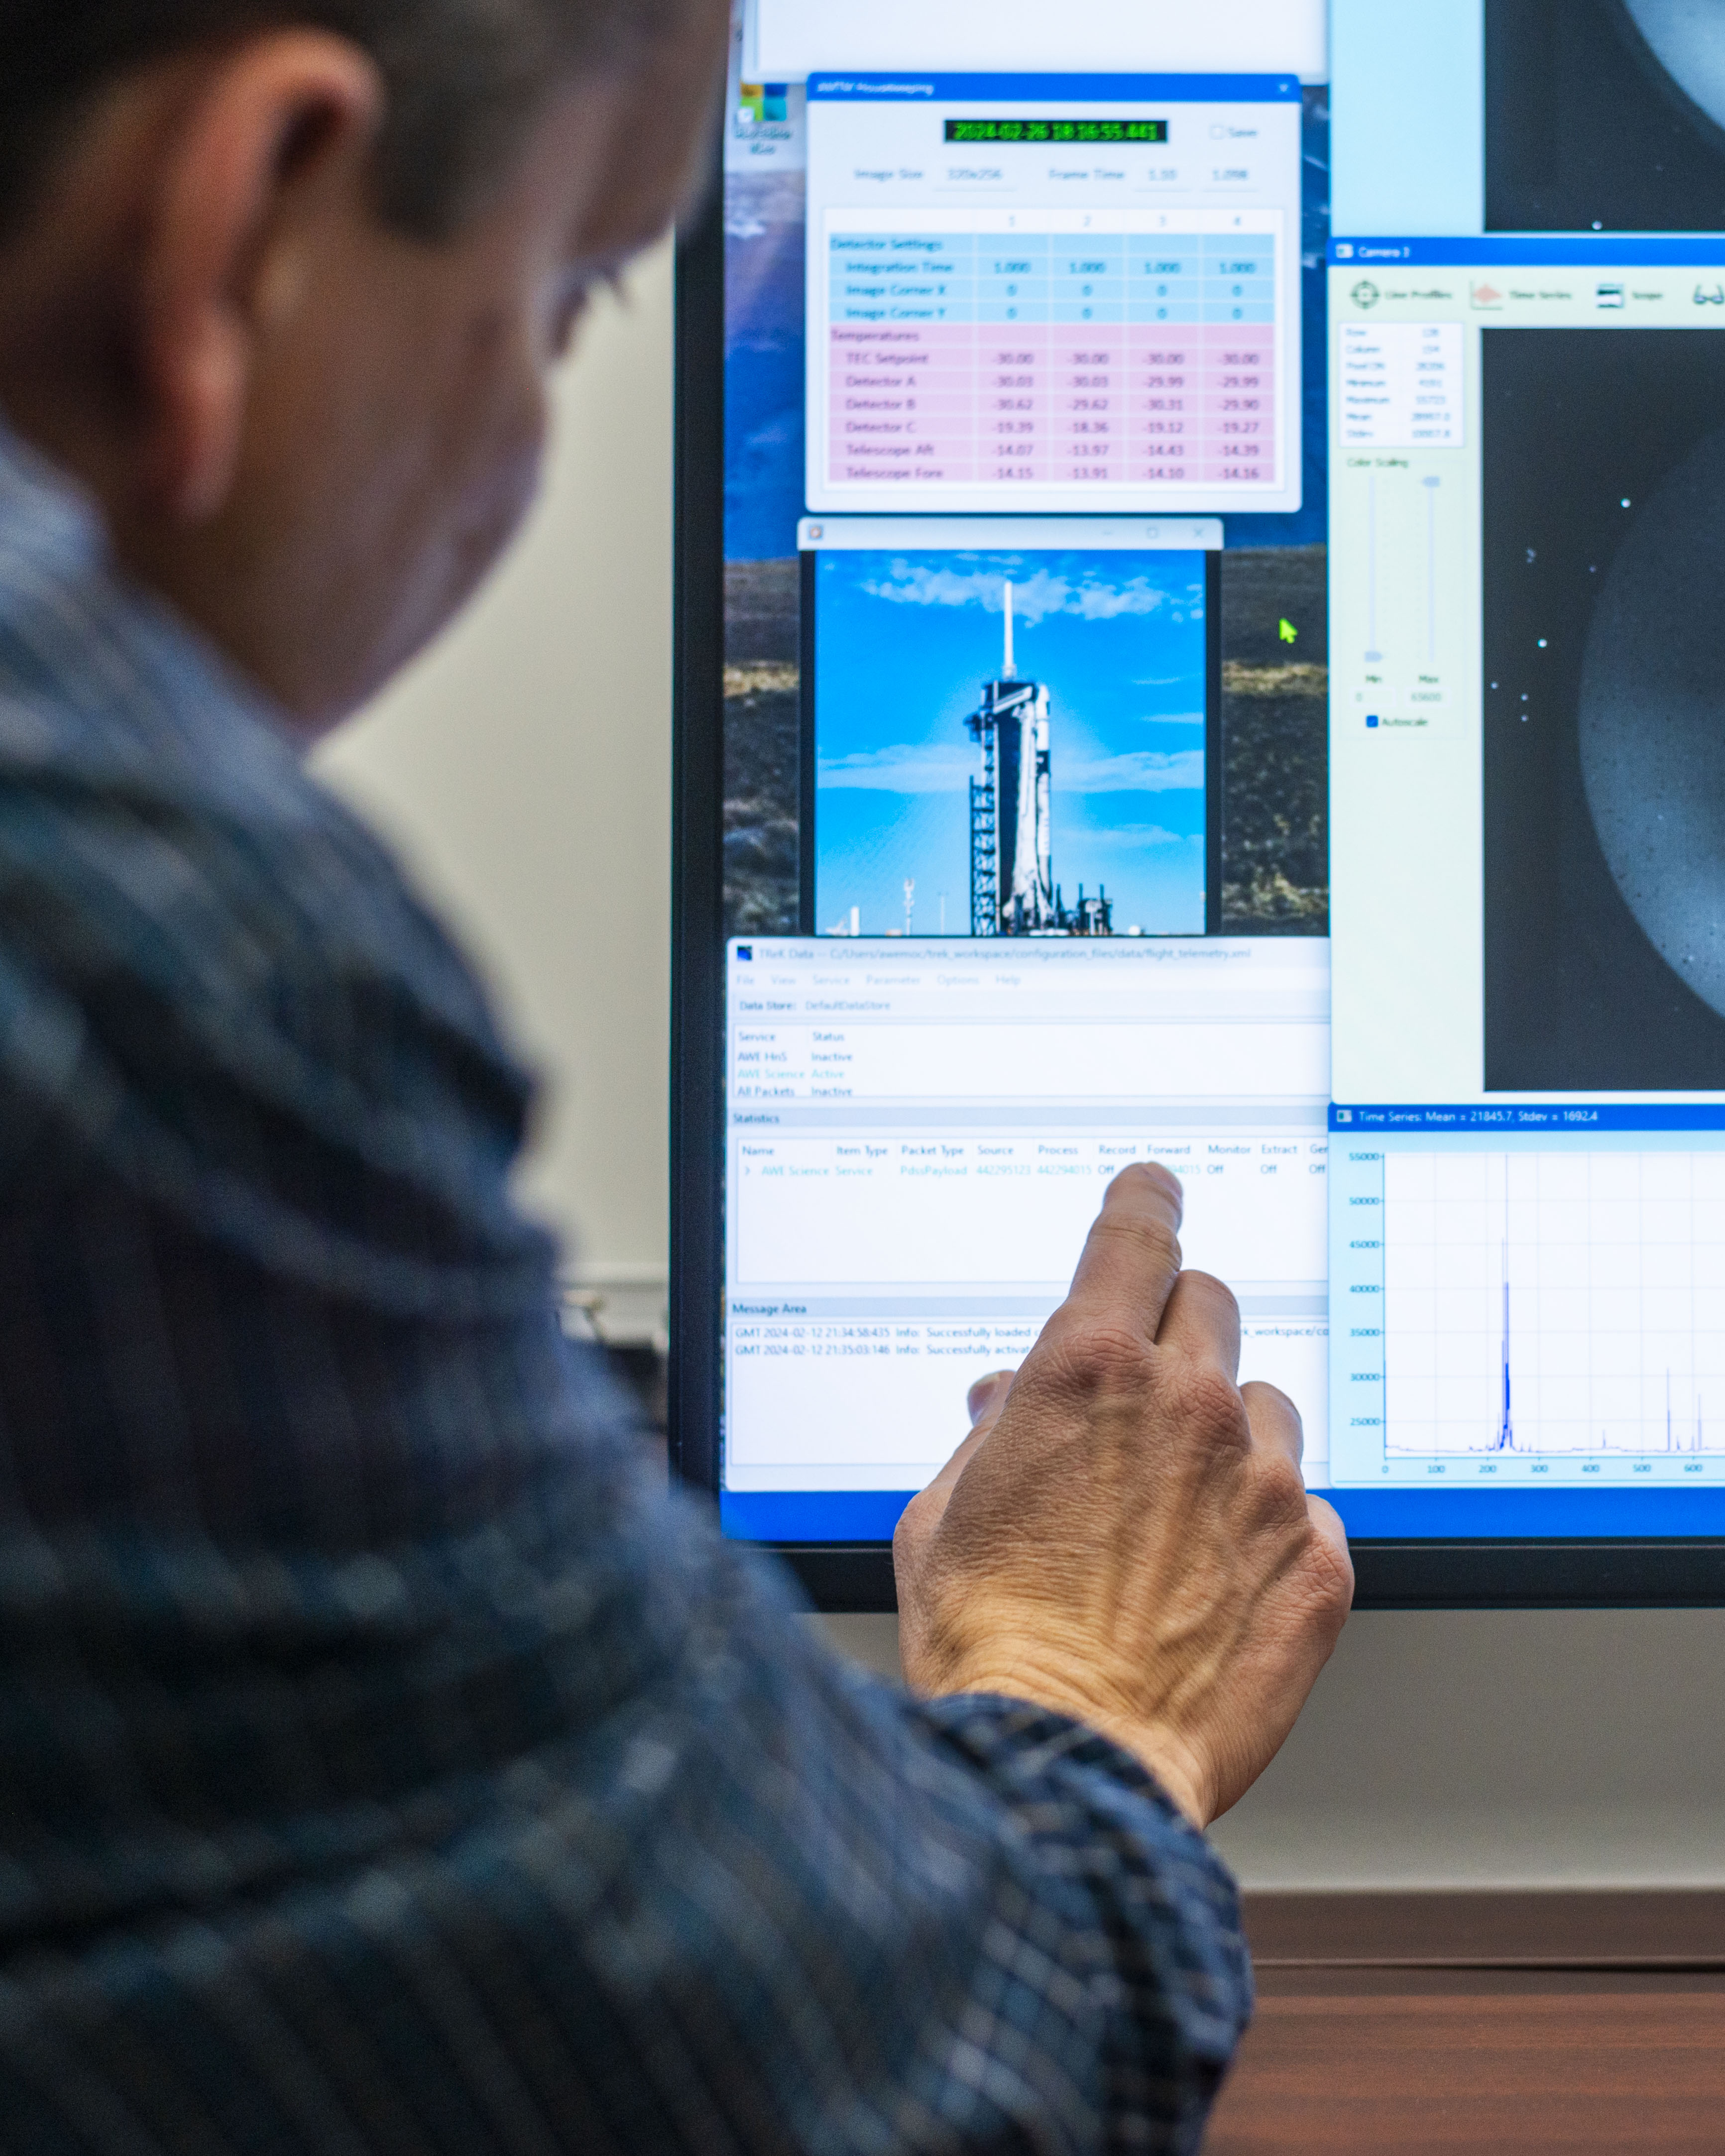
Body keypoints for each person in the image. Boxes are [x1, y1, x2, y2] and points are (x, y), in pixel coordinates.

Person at [0, 4, 1353, 2150]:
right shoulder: (133, 931)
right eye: (568, 294)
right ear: (243, 213)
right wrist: (1091, 1692)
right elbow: (875, 2082)